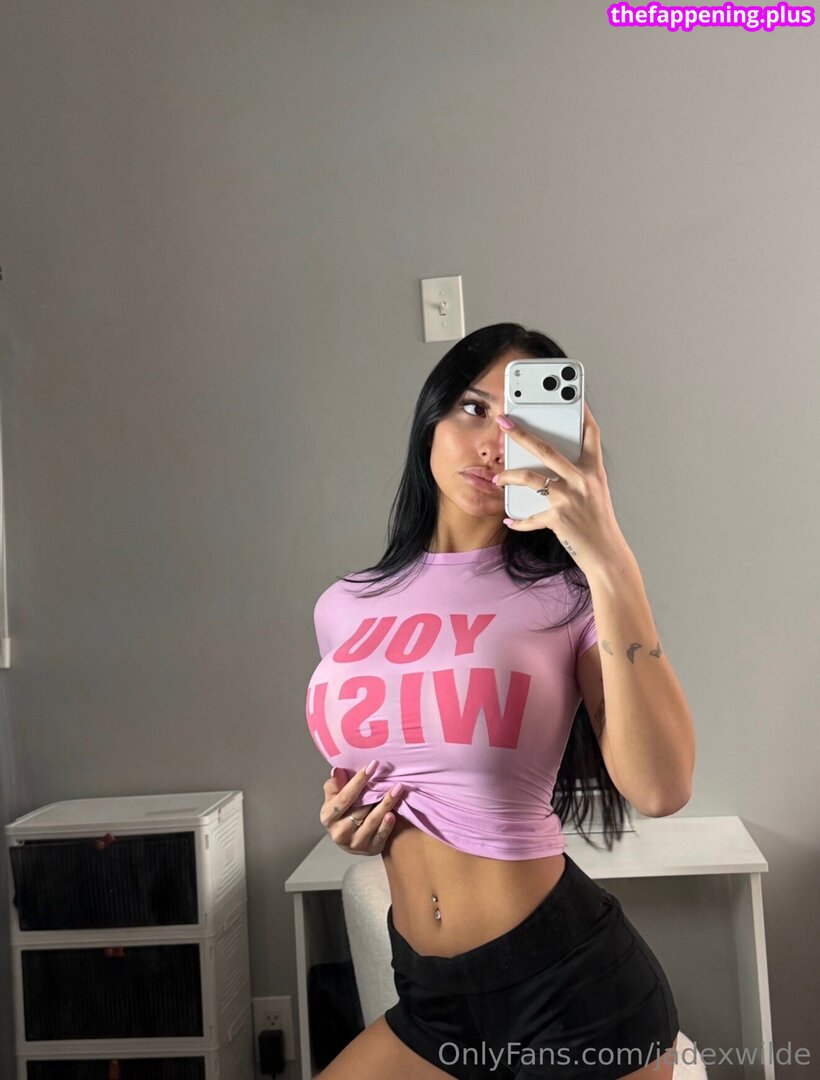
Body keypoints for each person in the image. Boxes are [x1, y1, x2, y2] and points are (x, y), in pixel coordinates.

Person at [305, 324, 696, 1079]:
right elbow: (401, 768)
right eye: (473, 408)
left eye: (519, 420)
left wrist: (608, 554)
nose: (493, 443)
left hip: (571, 995)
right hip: (432, 1001)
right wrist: (355, 825)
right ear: (430, 419)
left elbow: (661, 788)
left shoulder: (570, 595)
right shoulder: (343, 606)